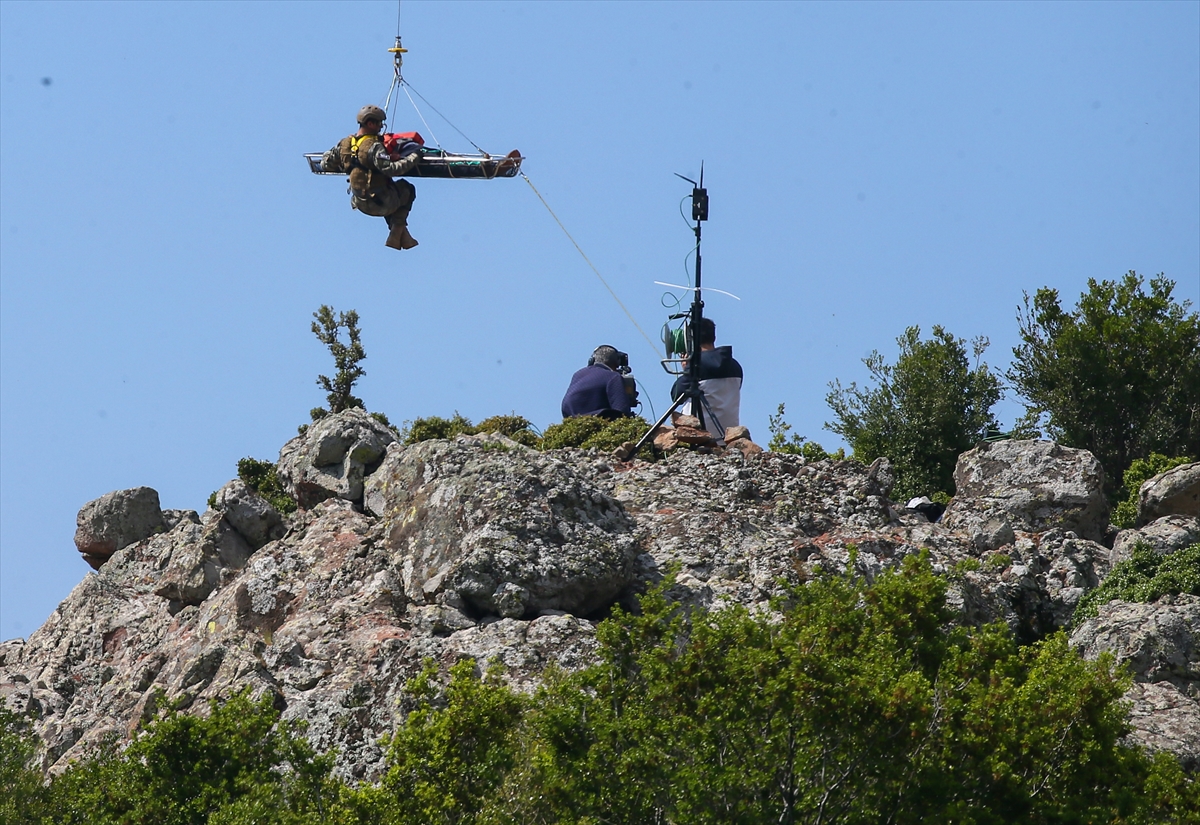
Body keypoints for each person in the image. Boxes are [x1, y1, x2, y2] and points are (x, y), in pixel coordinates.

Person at [321, 105, 422, 250]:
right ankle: (396, 229)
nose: (381, 127)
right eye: (379, 123)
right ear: (370, 123)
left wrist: (328, 156)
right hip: (380, 204)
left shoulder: (345, 144)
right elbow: (392, 170)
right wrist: (414, 157)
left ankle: (403, 238)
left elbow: (326, 164)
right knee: (407, 188)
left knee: (389, 188)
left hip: (360, 203)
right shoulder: (374, 147)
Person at [670, 317, 743, 439]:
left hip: (699, 435)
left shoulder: (698, 366)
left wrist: (687, 369)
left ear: (690, 339)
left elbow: (676, 394)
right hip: (727, 435)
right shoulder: (735, 366)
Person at [561, 345, 634, 419]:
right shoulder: (613, 376)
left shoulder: (578, 374)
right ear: (617, 361)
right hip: (599, 420)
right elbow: (622, 412)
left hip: (572, 420)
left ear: (592, 360)